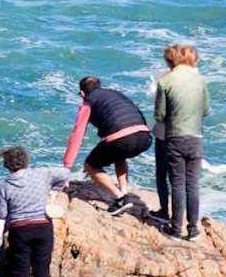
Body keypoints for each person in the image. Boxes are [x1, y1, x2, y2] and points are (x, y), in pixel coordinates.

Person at [61, 76, 152, 215]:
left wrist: (66, 167)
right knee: (119, 156)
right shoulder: (115, 94)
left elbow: (77, 135)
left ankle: (121, 198)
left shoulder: (88, 103)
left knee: (90, 165)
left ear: (82, 93)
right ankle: (124, 191)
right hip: (144, 136)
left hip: (122, 138)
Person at [155, 44, 209, 241]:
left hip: (175, 137)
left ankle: (176, 229)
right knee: (192, 184)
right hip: (196, 137)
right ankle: (193, 229)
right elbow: (206, 110)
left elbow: (159, 115)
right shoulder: (200, 80)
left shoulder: (166, 81)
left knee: (177, 183)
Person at [0, 146, 68, 277]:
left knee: (20, 270)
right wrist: (55, 190)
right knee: (42, 269)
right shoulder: (42, 173)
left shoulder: (5, 186)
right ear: (26, 160)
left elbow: (2, 214)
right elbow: (65, 173)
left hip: (19, 230)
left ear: (6, 164)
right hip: (43, 226)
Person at [145, 64, 172, 224]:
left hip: (164, 134)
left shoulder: (165, 81)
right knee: (181, 179)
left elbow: (159, 114)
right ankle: (187, 221)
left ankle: (164, 211)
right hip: (190, 135)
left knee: (162, 174)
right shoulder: (195, 81)